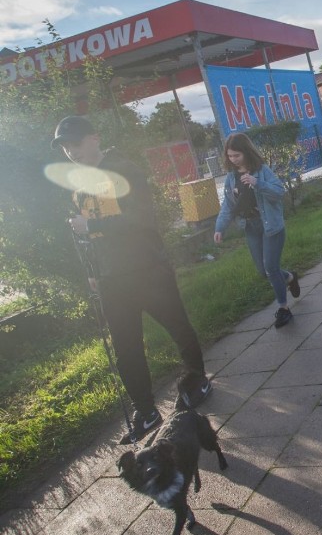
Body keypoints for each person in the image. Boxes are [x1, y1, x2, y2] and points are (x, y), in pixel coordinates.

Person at [54, 115, 212, 444]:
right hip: (112, 281)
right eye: (66, 147)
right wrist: (93, 273)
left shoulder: (124, 170)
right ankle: (145, 410)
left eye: (76, 143)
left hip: (147, 270)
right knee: (126, 349)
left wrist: (93, 225)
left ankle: (198, 379)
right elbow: (88, 239)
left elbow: (142, 219)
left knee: (177, 327)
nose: (72, 151)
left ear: (94, 138)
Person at [214, 132, 300, 328]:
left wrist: (257, 183)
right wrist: (220, 228)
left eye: (237, 155)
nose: (233, 159)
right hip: (251, 227)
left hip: (270, 225)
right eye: (230, 156)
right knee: (264, 271)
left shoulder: (261, 171)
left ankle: (284, 308)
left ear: (246, 152)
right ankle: (290, 277)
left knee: (271, 268)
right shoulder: (230, 178)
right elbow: (228, 206)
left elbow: (279, 192)